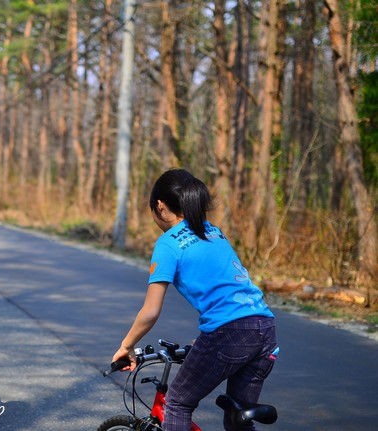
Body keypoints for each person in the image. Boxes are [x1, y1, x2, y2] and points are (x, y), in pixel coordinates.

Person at [111, 168, 277, 431]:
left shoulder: (167, 244)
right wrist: (207, 340)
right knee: (237, 418)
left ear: (160, 207)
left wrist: (127, 345)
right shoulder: (214, 231)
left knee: (176, 404)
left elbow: (151, 312)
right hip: (264, 329)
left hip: (229, 332)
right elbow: (227, 290)